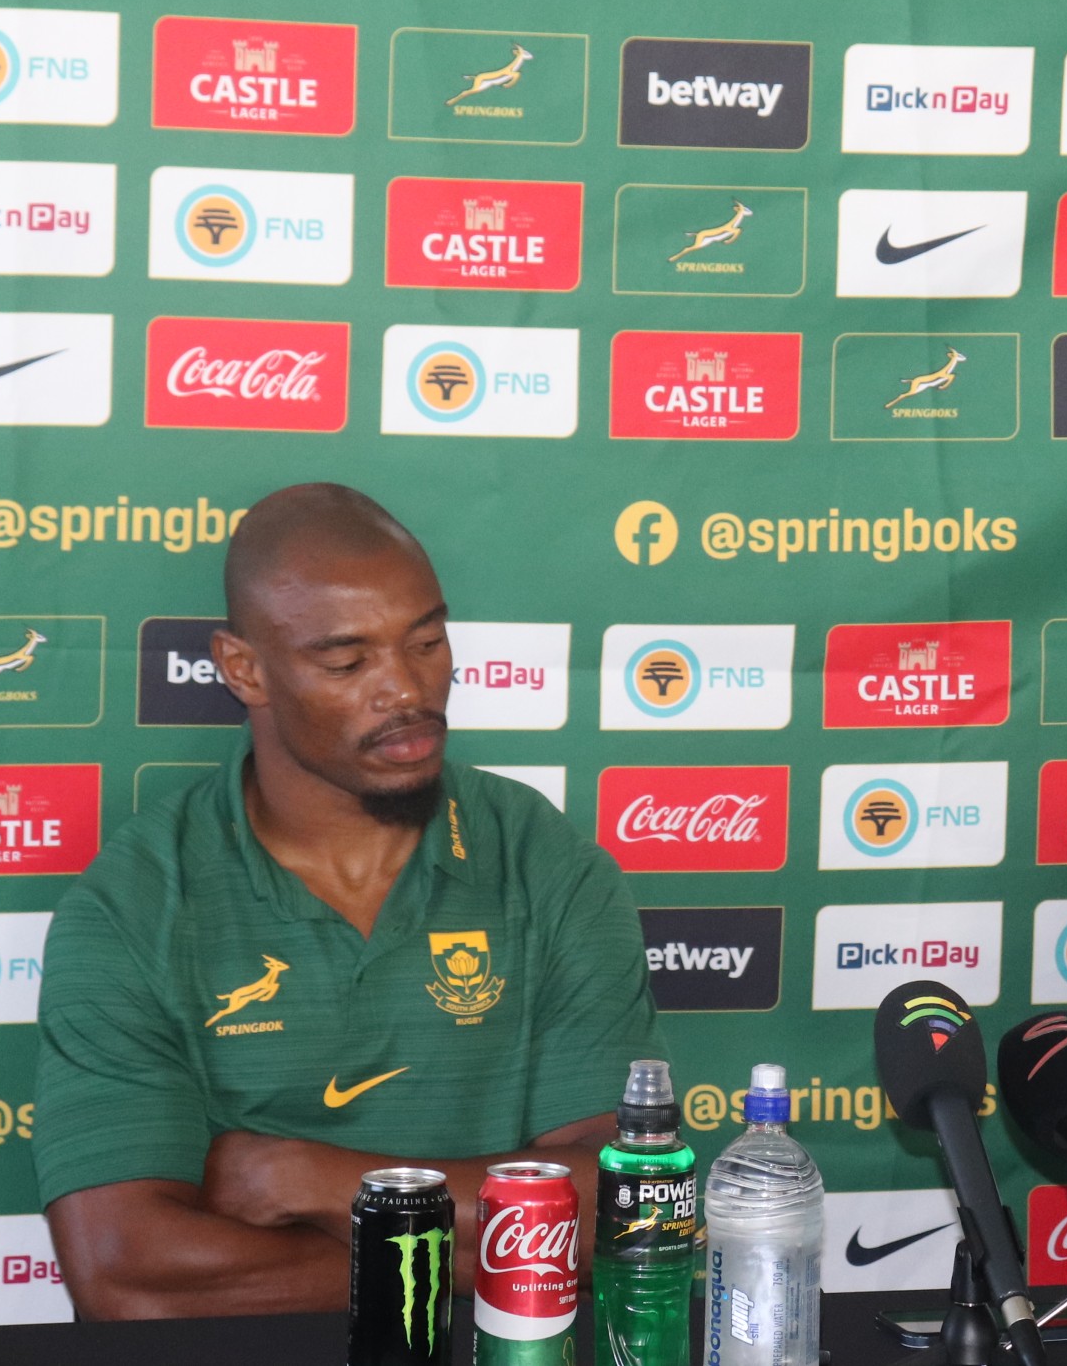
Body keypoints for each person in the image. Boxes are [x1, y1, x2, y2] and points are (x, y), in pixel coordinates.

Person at [35, 483, 663, 1319]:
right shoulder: (136, 902)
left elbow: (629, 1211)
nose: (405, 688)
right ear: (243, 669)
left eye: (428, 640)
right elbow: (129, 1275)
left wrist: (306, 1177)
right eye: (346, 660)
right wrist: (497, 1254)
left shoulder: (544, 861)